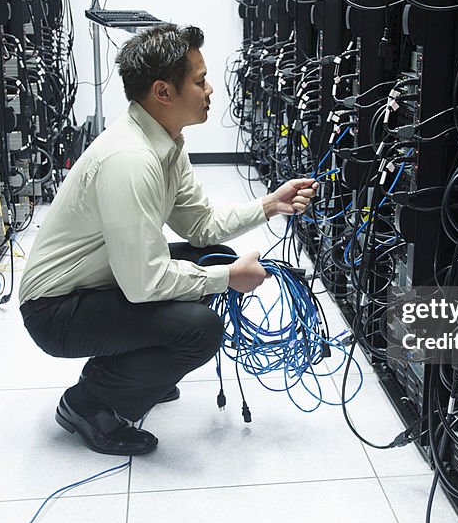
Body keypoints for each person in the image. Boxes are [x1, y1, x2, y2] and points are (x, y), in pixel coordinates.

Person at [18, 23, 317, 456]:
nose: (210, 88)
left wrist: (271, 204)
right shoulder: (131, 160)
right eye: (199, 81)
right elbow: (144, 284)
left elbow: (201, 226)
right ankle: (88, 403)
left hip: (98, 283)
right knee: (201, 330)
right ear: (163, 92)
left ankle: (134, 372)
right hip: (55, 310)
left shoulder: (165, 143)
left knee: (211, 254)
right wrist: (227, 278)